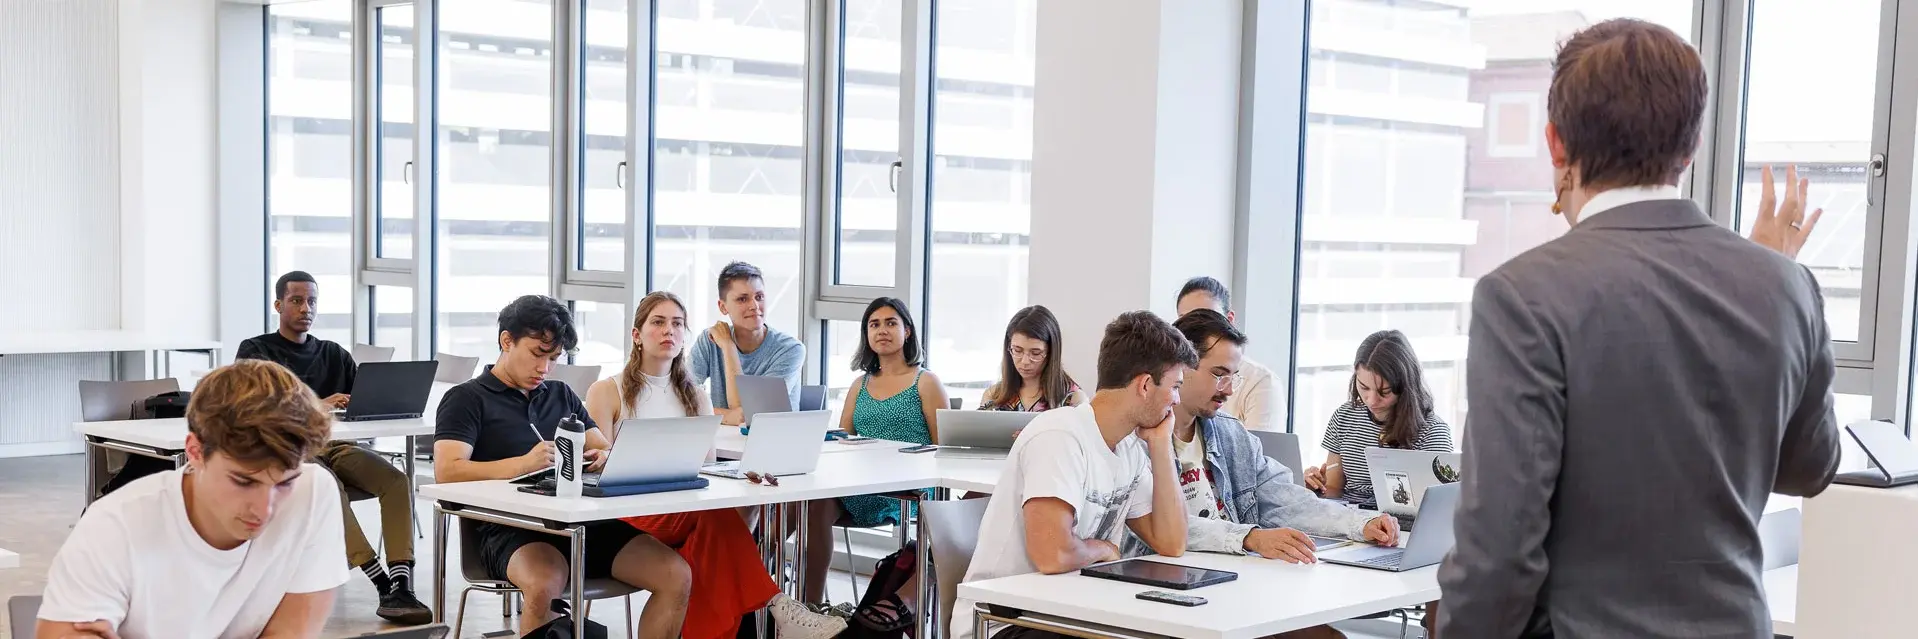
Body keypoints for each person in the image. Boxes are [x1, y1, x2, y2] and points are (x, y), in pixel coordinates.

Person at [1437, 19, 1840, 638]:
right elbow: (1809, 469)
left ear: (1555, 143)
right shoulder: (1786, 286)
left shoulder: (1522, 297)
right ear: (1692, 145)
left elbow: (1501, 550)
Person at [582, 291, 846, 639]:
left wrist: (741, 477)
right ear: (637, 335)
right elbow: (595, 464)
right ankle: (779, 607)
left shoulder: (696, 395)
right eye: (658, 322)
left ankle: (777, 610)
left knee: (711, 531)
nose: (669, 332)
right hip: (628, 515)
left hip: (684, 512)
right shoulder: (607, 391)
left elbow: (705, 470)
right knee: (714, 521)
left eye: (677, 324)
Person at [434, 295, 691, 639]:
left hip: (582, 525)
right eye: (538, 354)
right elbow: (447, 470)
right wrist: (521, 465)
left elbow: (603, 446)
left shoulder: (561, 394)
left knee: (676, 574)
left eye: (554, 358)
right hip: (510, 528)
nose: (545, 368)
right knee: (544, 582)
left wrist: (603, 458)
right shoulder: (466, 399)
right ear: (506, 341)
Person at [37, 360, 344, 639]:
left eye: (284, 483)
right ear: (195, 451)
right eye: (243, 481)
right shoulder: (112, 526)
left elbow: (292, 632)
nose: (264, 509)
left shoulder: (313, 492)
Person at [953, 311, 1192, 639]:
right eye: (1175, 386)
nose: (1177, 400)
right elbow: (1054, 556)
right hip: (1006, 622)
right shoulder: (1060, 435)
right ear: (1146, 385)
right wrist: (1103, 549)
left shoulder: (1131, 449)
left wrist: (1161, 449)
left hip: (1068, 614)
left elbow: (1172, 542)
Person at [234, 270, 430, 624]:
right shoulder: (256, 350)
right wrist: (318, 404)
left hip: (334, 445)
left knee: (396, 480)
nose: (305, 308)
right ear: (278, 305)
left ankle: (401, 582)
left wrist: (378, 404)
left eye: (311, 301)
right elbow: (253, 407)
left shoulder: (333, 354)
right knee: (328, 487)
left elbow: (363, 405)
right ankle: (379, 580)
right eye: (296, 300)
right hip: (287, 450)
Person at [798, 297, 949, 625]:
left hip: (908, 489)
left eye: (891, 323)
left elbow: (944, 445)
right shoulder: (859, 384)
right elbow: (843, 438)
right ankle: (809, 610)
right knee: (815, 504)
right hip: (858, 484)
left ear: (907, 331)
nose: (882, 330)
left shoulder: (925, 381)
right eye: (874, 324)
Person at [1303, 330, 1452, 503]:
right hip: (1346, 520)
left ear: (1405, 386)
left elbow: (1435, 505)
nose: (1372, 400)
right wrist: (1313, 488)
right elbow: (1334, 490)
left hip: (1398, 525)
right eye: (1364, 387)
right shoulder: (1344, 416)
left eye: (1384, 391)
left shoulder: (1433, 432)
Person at [689, 261, 805, 425]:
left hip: (774, 443)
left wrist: (729, 347)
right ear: (723, 307)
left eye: (759, 297)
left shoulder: (790, 349)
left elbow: (748, 414)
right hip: (723, 443)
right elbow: (681, 399)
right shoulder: (709, 341)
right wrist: (728, 416)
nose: (754, 306)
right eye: (742, 299)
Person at [1175, 277, 1278, 432]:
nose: (1192, 331)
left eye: (1208, 318)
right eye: (1186, 320)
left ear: (1229, 320)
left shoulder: (1258, 381)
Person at [978, 305, 1084, 411]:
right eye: (1017, 351)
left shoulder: (1074, 399)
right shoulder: (993, 396)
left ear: (1051, 352)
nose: (1025, 361)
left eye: (1035, 353)